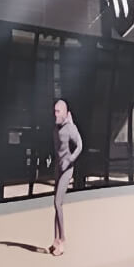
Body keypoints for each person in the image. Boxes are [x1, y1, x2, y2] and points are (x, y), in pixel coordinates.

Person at [50, 99, 81, 258]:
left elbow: (80, 145)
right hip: (58, 168)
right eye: (54, 111)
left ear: (64, 112)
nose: (55, 114)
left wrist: (70, 160)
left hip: (67, 169)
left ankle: (63, 239)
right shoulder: (56, 129)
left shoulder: (70, 129)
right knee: (56, 204)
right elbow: (56, 149)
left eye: (58, 111)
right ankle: (55, 239)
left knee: (57, 202)